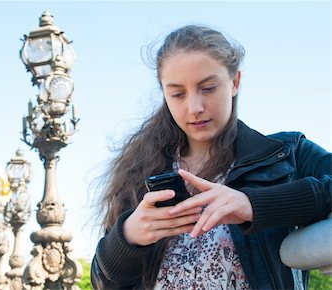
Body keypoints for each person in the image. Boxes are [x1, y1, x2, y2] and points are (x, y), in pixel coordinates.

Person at [90, 24, 332, 290]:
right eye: (178, 94)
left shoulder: (286, 153)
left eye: (208, 88)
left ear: (235, 82)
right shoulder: (140, 173)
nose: (195, 107)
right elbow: (103, 282)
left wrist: (253, 205)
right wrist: (127, 237)